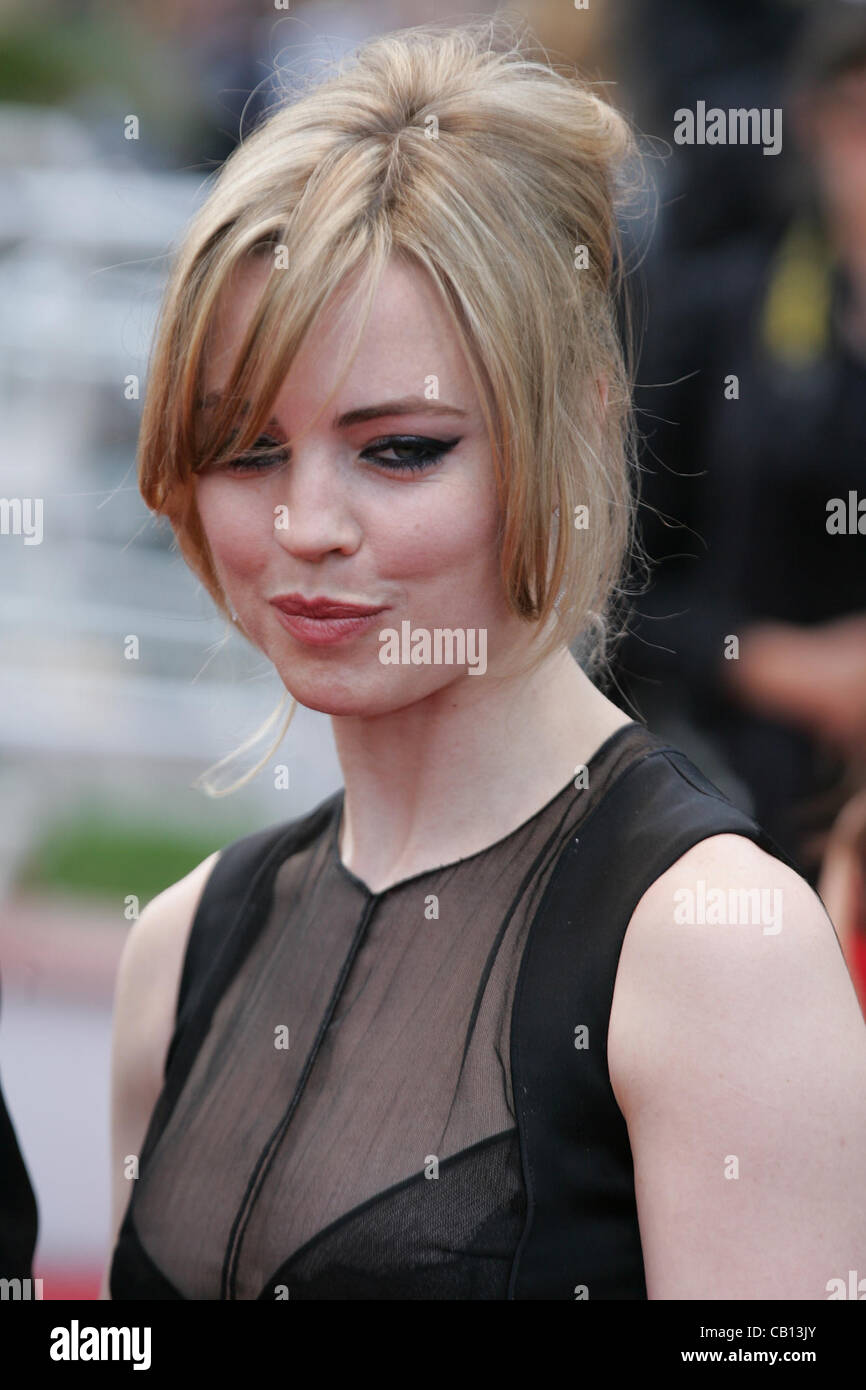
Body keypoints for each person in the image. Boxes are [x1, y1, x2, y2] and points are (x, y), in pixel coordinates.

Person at [102, 17, 866, 1300]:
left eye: (399, 447)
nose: (308, 529)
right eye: (246, 450)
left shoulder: (711, 948)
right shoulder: (176, 950)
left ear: (569, 427)